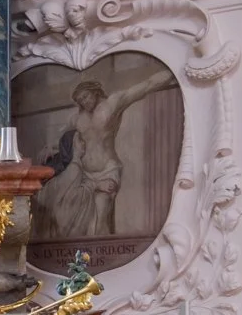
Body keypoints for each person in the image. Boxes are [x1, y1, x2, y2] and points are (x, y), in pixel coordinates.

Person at [36, 68, 175, 239]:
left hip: (107, 170)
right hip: (84, 175)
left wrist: (172, 73)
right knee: (82, 223)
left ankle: (99, 259)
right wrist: (50, 148)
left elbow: (147, 85)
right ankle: (85, 262)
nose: (84, 102)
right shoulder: (77, 118)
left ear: (95, 91)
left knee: (101, 217)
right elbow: (62, 138)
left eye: (85, 96)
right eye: (80, 100)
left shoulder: (113, 103)